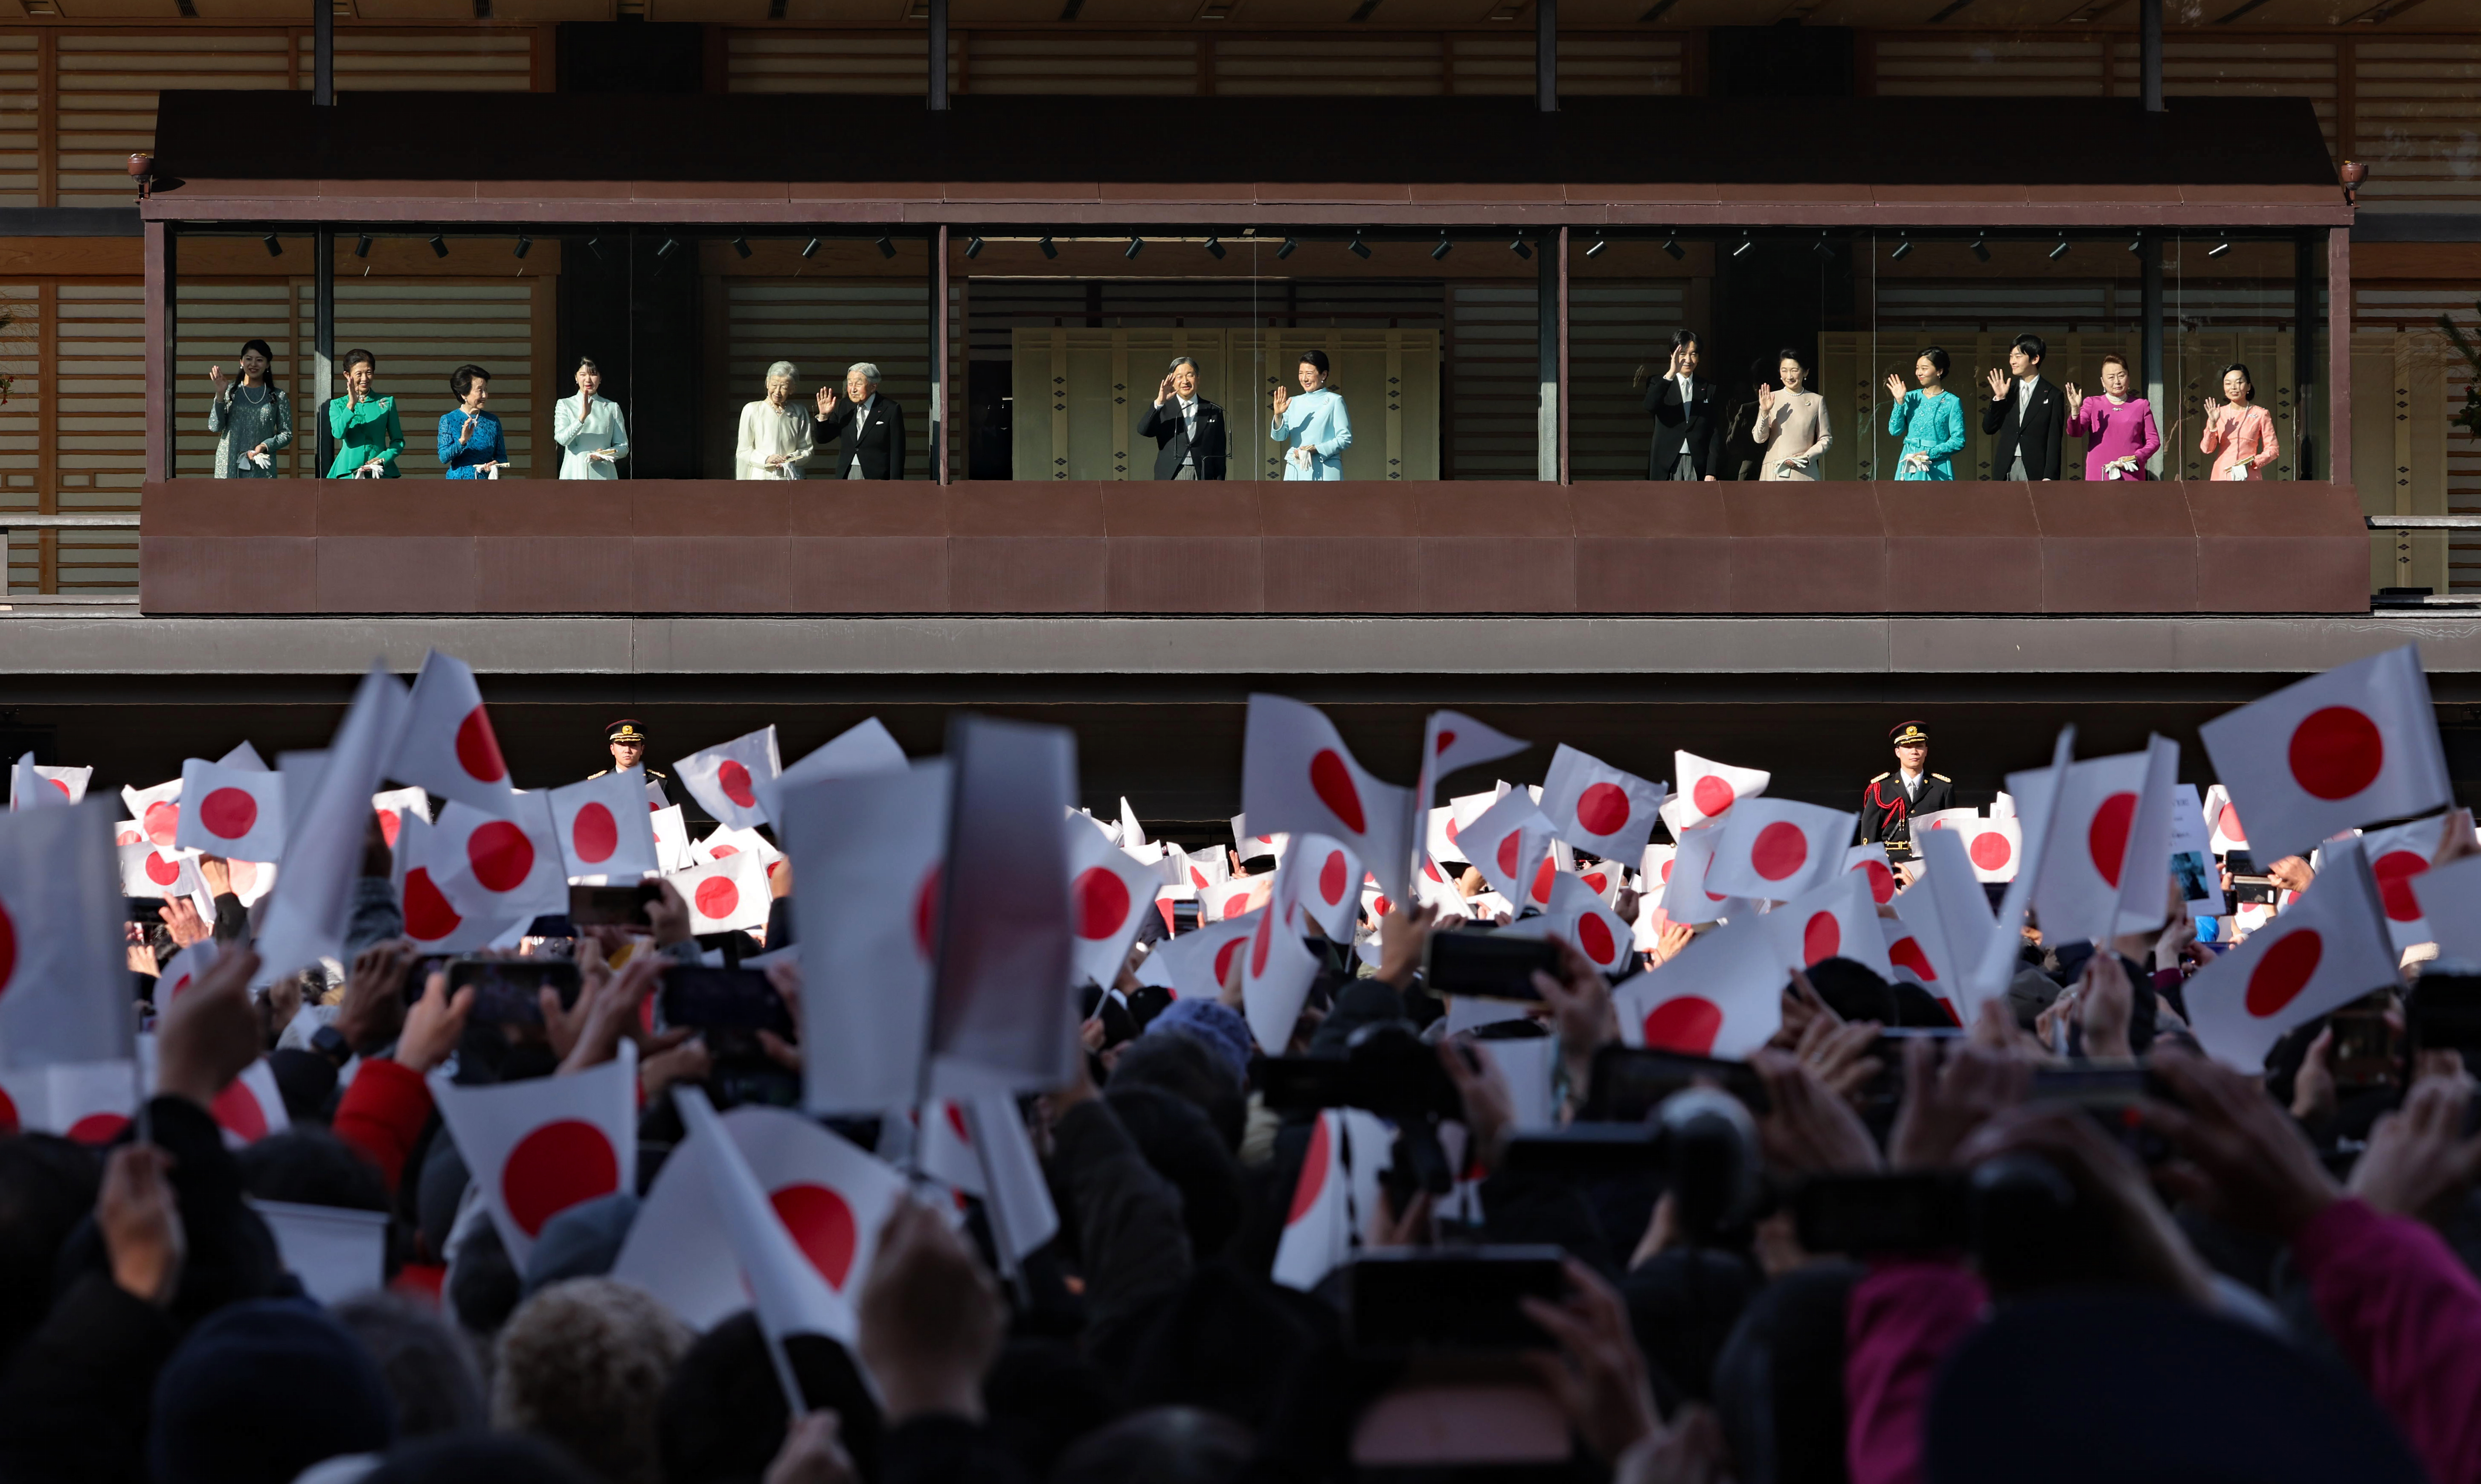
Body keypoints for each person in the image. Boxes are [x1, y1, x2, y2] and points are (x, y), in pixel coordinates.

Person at [1981, 332, 2066, 482]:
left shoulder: (2053, 395)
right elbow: (1989, 428)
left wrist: (2050, 476)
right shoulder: (2008, 389)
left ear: (2035, 359)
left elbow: (2054, 440)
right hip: (2006, 465)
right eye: (2011, 356)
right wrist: (1999, 399)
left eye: (2018, 357)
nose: (2012, 362)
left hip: (2036, 467)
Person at [1859, 719, 1953, 854]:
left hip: (1929, 861)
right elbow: (1869, 834)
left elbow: (1950, 834)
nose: (1914, 752)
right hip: (1892, 862)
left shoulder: (1942, 788)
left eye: (1919, 746)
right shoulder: (1881, 788)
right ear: (1898, 752)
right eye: (1908, 747)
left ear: (1926, 751)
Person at [2065, 352, 2161, 482]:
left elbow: (2154, 442)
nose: (2117, 382)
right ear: (2103, 382)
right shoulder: (2092, 403)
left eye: (2121, 376)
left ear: (2128, 378)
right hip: (2100, 474)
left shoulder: (2141, 405)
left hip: (2131, 473)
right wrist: (2075, 410)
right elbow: (2075, 433)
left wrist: (2135, 458)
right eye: (2111, 377)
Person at [204, 338, 292, 479]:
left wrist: (265, 446)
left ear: (268, 364)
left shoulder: (278, 396)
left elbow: (287, 434)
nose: (253, 364)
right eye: (249, 359)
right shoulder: (229, 391)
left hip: (261, 465)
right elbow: (215, 427)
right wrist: (220, 394)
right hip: (228, 463)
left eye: (260, 360)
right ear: (241, 362)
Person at [1641, 330, 1721, 480]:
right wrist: (1671, 374)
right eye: (1682, 354)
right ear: (1673, 355)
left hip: (1697, 462)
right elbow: (1649, 405)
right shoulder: (1658, 383)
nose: (1688, 360)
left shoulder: (1708, 388)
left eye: (1693, 354)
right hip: (1667, 462)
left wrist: (1711, 471)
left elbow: (1714, 432)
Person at [812, 362, 907, 481]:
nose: (853, 389)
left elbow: (897, 451)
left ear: (873, 386)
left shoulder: (890, 409)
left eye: (858, 384)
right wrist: (824, 416)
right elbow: (823, 439)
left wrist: (896, 484)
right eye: (850, 384)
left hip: (877, 476)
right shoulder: (845, 406)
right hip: (847, 472)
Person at [1136, 357, 1225, 480]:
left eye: (1190, 375)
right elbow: (1144, 431)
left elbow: (1219, 451)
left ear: (1198, 378)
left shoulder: (1214, 410)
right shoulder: (1163, 408)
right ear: (1172, 381)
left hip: (1203, 474)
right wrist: (1160, 402)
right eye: (1179, 377)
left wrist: (1220, 483)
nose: (1185, 381)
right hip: (1171, 474)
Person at [1269, 349, 1351, 481]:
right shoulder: (1293, 402)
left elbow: (1345, 439)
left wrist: (1316, 449)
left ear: (1324, 375)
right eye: (1301, 373)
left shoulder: (1335, 401)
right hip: (1296, 469)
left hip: (1326, 469)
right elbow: (1279, 437)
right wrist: (1278, 415)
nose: (1304, 379)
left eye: (1309, 373)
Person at [1885, 348, 1966, 482]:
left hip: (1936, 464)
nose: (1919, 373)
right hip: (1910, 460)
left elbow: (1958, 441)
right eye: (1918, 368)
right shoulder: (1910, 397)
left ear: (1939, 371)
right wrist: (1900, 402)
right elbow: (1894, 431)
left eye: (1924, 368)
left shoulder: (1952, 402)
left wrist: (1929, 454)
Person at [1753, 347, 1831, 482]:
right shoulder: (1771, 398)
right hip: (1775, 472)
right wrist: (1764, 412)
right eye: (1784, 371)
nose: (1789, 376)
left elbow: (1826, 439)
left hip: (1805, 472)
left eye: (1794, 371)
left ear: (1805, 372)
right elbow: (1759, 439)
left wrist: (1805, 458)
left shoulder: (1817, 401)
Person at [327, 348, 404, 479]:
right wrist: (351, 405)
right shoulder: (337, 404)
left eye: (369, 373)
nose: (365, 379)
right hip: (348, 472)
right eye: (359, 374)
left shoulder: (387, 402)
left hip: (380, 472)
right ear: (347, 375)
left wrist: (383, 459)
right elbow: (338, 434)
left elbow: (398, 441)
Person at [2200, 361, 2280, 481]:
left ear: (2248, 387)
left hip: (2249, 474)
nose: (2233, 387)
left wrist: (2253, 462)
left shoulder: (2261, 414)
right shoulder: (2218, 414)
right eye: (2228, 383)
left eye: (2239, 383)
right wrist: (2212, 423)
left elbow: (2273, 449)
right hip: (2222, 475)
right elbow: (2207, 449)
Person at [553, 358, 628, 481]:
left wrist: (604, 454)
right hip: (574, 472)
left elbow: (623, 447)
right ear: (576, 378)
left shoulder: (612, 407)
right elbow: (562, 439)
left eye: (593, 375)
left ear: (600, 378)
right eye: (583, 375)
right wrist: (582, 417)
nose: (588, 380)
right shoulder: (565, 404)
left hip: (604, 474)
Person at [735, 361, 812, 480]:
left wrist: (792, 458)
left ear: (793, 389)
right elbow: (743, 451)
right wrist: (766, 459)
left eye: (784, 387)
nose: (777, 392)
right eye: (774, 385)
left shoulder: (799, 411)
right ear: (767, 383)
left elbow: (807, 449)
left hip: (790, 477)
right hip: (761, 479)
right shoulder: (752, 410)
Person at [438, 364, 507, 480]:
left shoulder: (493, 421)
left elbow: (502, 458)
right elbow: (443, 457)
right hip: (457, 484)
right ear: (464, 394)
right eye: (480, 390)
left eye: (486, 390)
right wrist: (462, 441)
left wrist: (495, 464)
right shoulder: (448, 420)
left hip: (485, 484)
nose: (485, 395)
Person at [586, 718, 668, 787]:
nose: (627, 750)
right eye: (622, 745)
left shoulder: (658, 783)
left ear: (642, 749)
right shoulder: (597, 784)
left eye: (633, 745)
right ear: (612, 749)